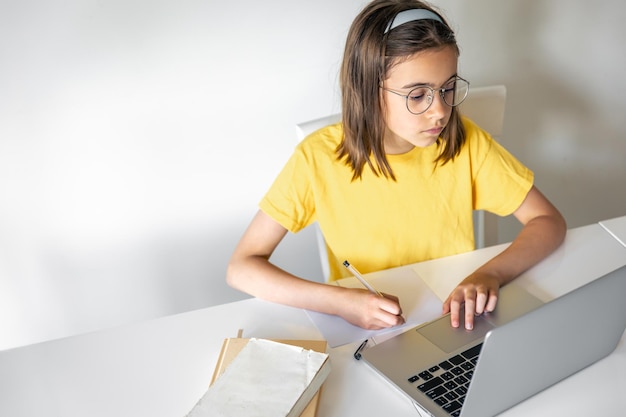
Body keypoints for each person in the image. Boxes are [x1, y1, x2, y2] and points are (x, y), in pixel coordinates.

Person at [227, 0, 566, 331]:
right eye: (418, 95)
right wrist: (339, 302)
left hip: (451, 322)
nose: (440, 111)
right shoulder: (317, 158)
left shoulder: (464, 143)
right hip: (371, 330)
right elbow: (242, 268)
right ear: (369, 90)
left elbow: (548, 221)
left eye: (448, 88)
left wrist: (490, 273)